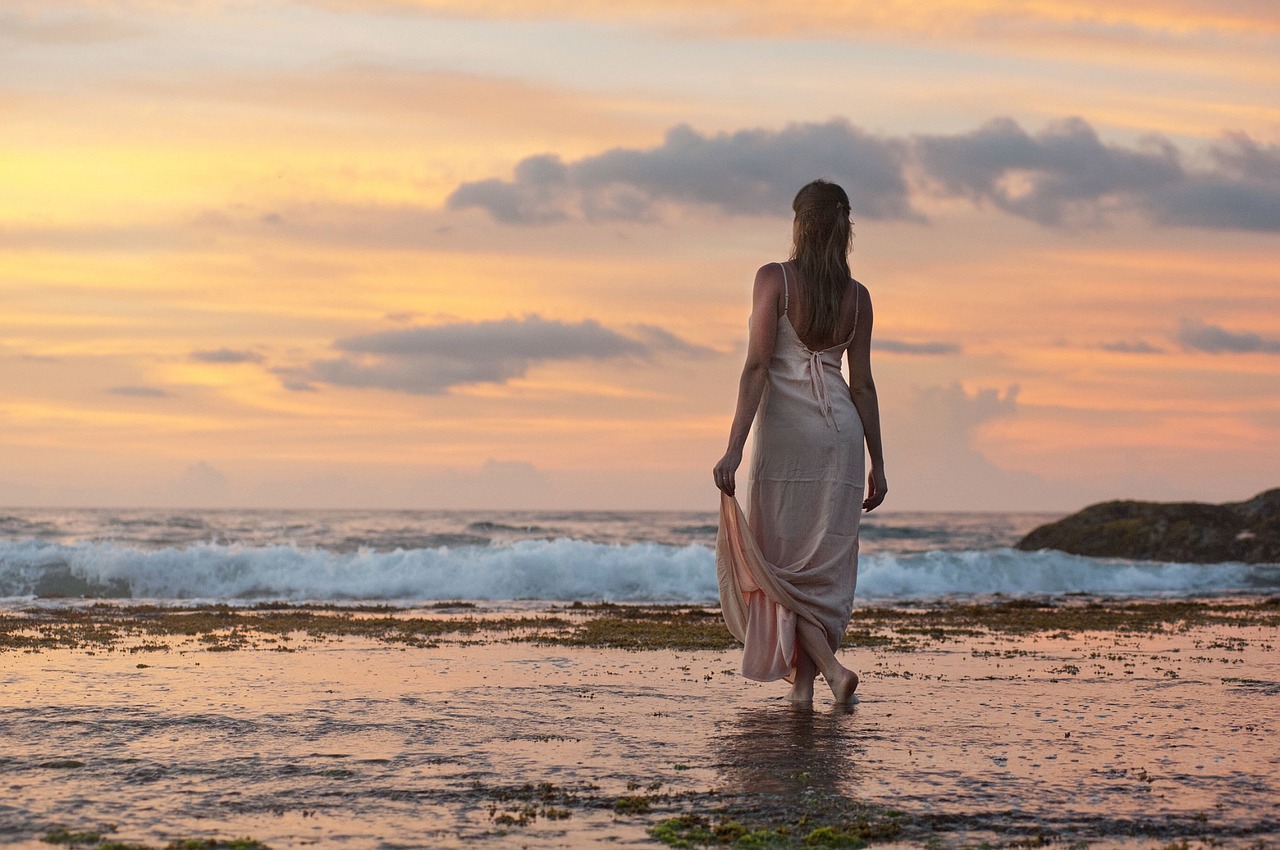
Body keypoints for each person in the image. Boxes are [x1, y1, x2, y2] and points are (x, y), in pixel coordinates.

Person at [713, 178, 887, 706]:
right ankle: (806, 687)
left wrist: (734, 447)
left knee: (774, 564)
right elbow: (862, 385)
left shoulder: (775, 279)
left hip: (788, 440)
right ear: (844, 229)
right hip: (842, 442)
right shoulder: (857, 298)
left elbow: (757, 366)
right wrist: (879, 461)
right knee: (817, 568)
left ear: (799, 225)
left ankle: (831, 669)